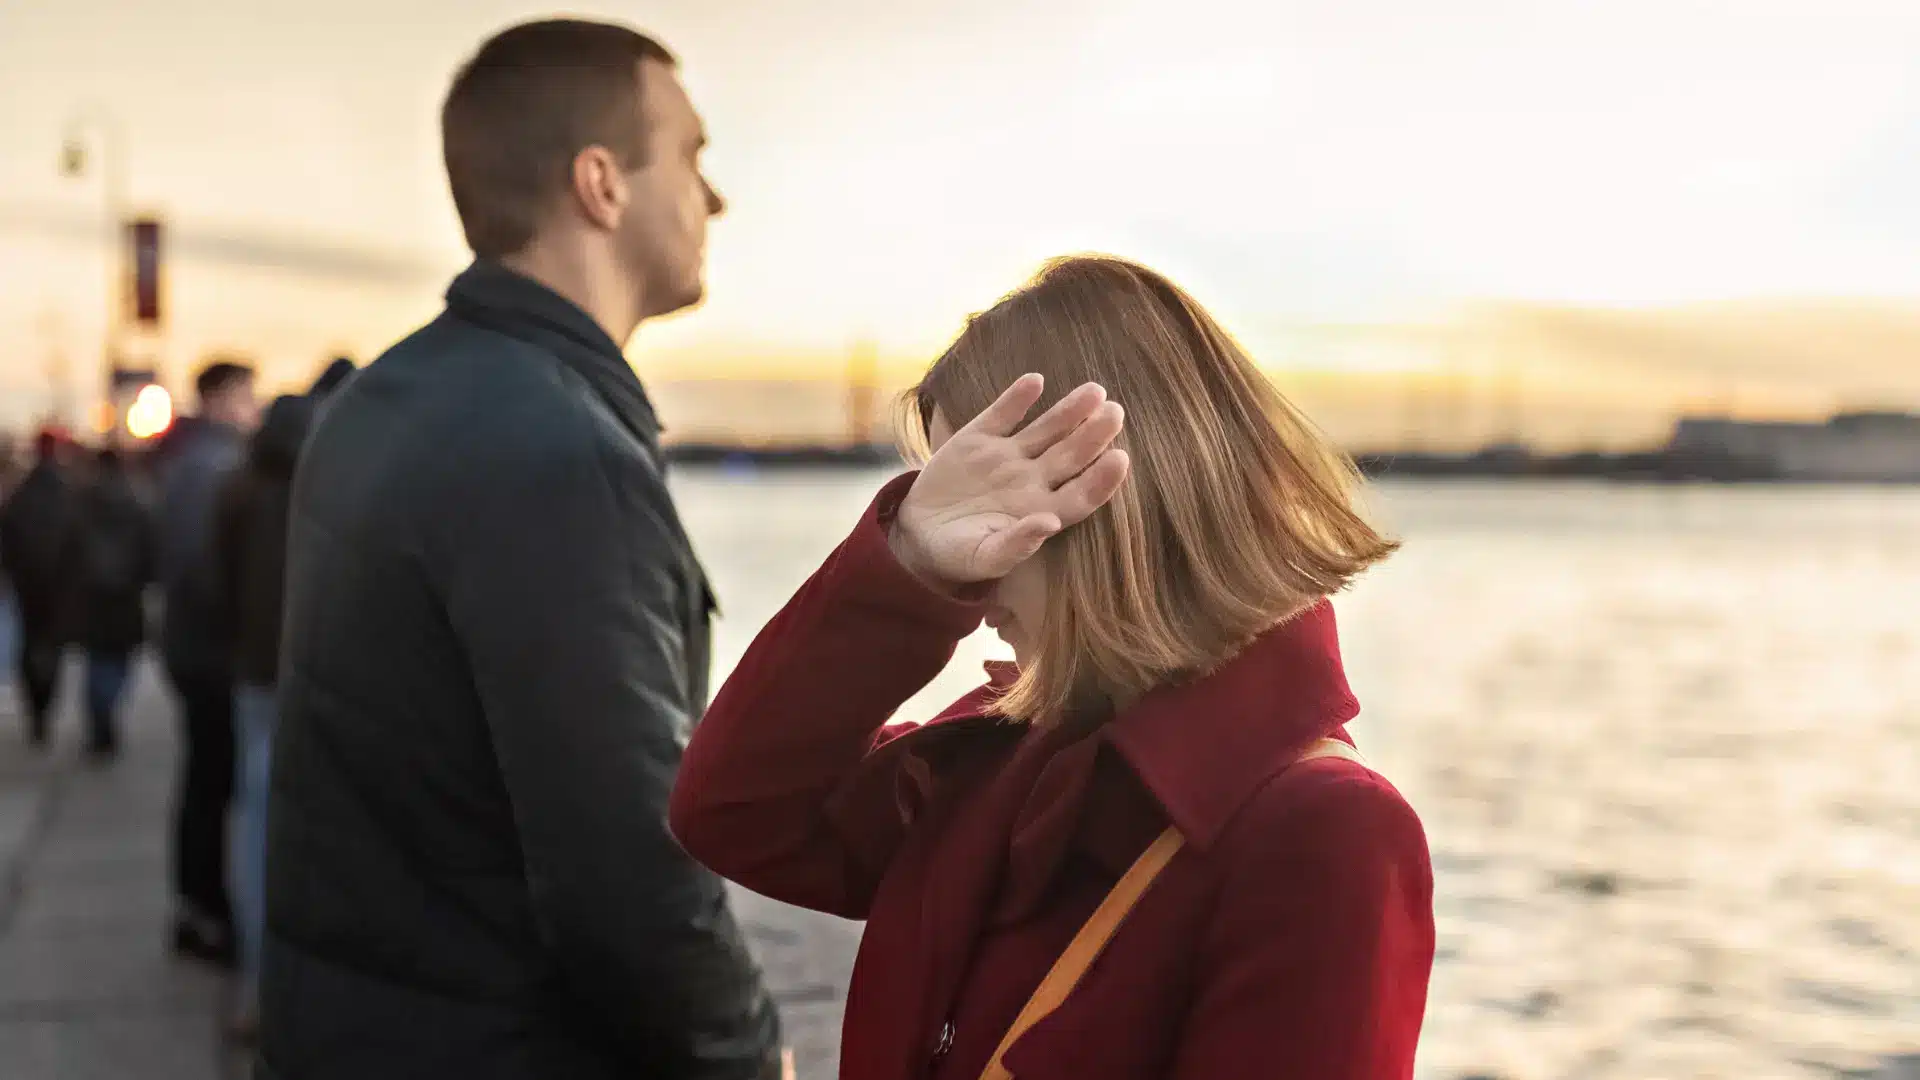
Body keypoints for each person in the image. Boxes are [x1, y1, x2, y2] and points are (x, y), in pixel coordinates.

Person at [672, 256, 1437, 1080]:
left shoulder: (1326, 833)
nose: (974, 563)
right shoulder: (1007, 757)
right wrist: (909, 569)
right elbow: (737, 813)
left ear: (1107, 508)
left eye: (981, 502)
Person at [259, 19, 785, 1080]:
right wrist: (744, 1051)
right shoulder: (558, 453)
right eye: (690, 155)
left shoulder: (378, 403)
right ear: (601, 185)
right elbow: (628, 865)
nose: (713, 198)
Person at [157, 358, 259, 967]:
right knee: (213, 783)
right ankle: (205, 910)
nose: (253, 408)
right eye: (246, 396)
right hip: (210, 654)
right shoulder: (213, 466)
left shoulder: (190, 460)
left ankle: (200, 905)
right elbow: (205, 571)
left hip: (194, 648)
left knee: (205, 779)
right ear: (221, 398)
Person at [73, 447, 157, 759]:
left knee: (97, 662)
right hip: (125, 597)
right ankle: (108, 713)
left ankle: (100, 719)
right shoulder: (138, 502)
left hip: (93, 596)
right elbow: (150, 551)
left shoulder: (82, 501)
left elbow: (70, 550)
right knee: (119, 662)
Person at [0, 428, 81, 745]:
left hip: (26, 584)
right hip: (57, 587)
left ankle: (36, 708)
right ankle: (44, 705)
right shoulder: (67, 493)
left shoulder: (21, 494)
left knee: (30, 644)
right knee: (51, 645)